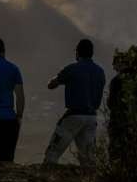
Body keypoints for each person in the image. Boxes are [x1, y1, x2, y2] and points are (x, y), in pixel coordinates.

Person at [43, 38, 106, 168]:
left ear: (77, 53)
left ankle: (48, 181)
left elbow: (51, 85)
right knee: (89, 160)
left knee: (53, 154)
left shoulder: (72, 69)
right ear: (91, 53)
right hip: (91, 117)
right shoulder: (100, 71)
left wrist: (59, 78)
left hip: (74, 116)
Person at [106, 46, 137, 163]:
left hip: (118, 122)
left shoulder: (117, 81)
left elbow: (110, 103)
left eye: (115, 63)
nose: (113, 67)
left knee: (116, 152)